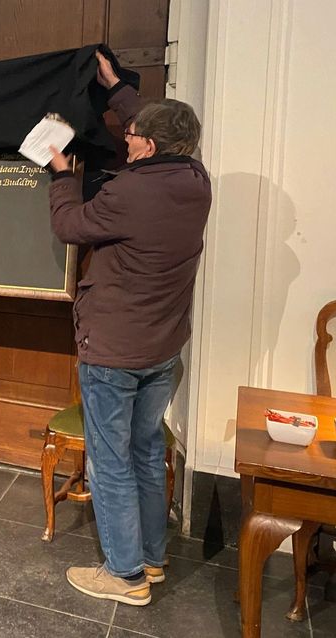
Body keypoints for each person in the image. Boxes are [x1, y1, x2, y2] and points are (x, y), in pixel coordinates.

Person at [44, 51, 211, 606]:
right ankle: (151, 560)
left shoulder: (128, 193)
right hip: (162, 348)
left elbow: (71, 226)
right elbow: (163, 129)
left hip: (114, 350)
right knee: (143, 453)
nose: (128, 138)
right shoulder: (195, 179)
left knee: (109, 462)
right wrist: (117, 90)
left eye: (134, 133)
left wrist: (62, 176)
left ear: (149, 146)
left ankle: (124, 576)